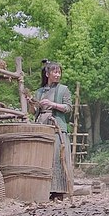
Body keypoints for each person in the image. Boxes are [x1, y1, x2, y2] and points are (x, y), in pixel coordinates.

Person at [32, 60, 74, 201]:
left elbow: (68, 107)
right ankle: (43, 189)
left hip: (57, 128)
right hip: (42, 127)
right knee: (43, 158)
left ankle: (58, 191)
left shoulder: (63, 89)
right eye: (55, 72)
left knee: (57, 157)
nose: (57, 75)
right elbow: (34, 111)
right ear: (47, 73)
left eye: (59, 72)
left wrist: (52, 104)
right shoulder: (39, 91)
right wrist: (31, 103)